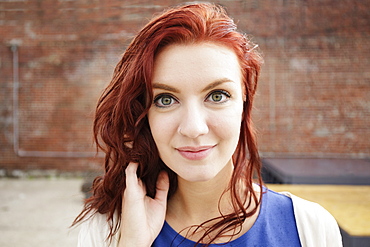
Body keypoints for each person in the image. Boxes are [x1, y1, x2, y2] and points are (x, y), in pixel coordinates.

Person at [73, 2, 342, 247]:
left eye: (217, 96)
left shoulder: (310, 228)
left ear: (244, 101)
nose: (193, 128)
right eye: (166, 99)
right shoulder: (105, 232)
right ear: (144, 113)